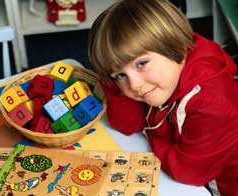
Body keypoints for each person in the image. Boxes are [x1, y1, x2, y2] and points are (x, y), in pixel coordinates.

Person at [88, 0, 238, 196]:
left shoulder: (211, 104)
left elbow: (187, 172)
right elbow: (127, 123)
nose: (134, 85)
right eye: (120, 75)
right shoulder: (163, 75)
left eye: (141, 63)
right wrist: (109, 73)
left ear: (175, 44)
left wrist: (151, 134)